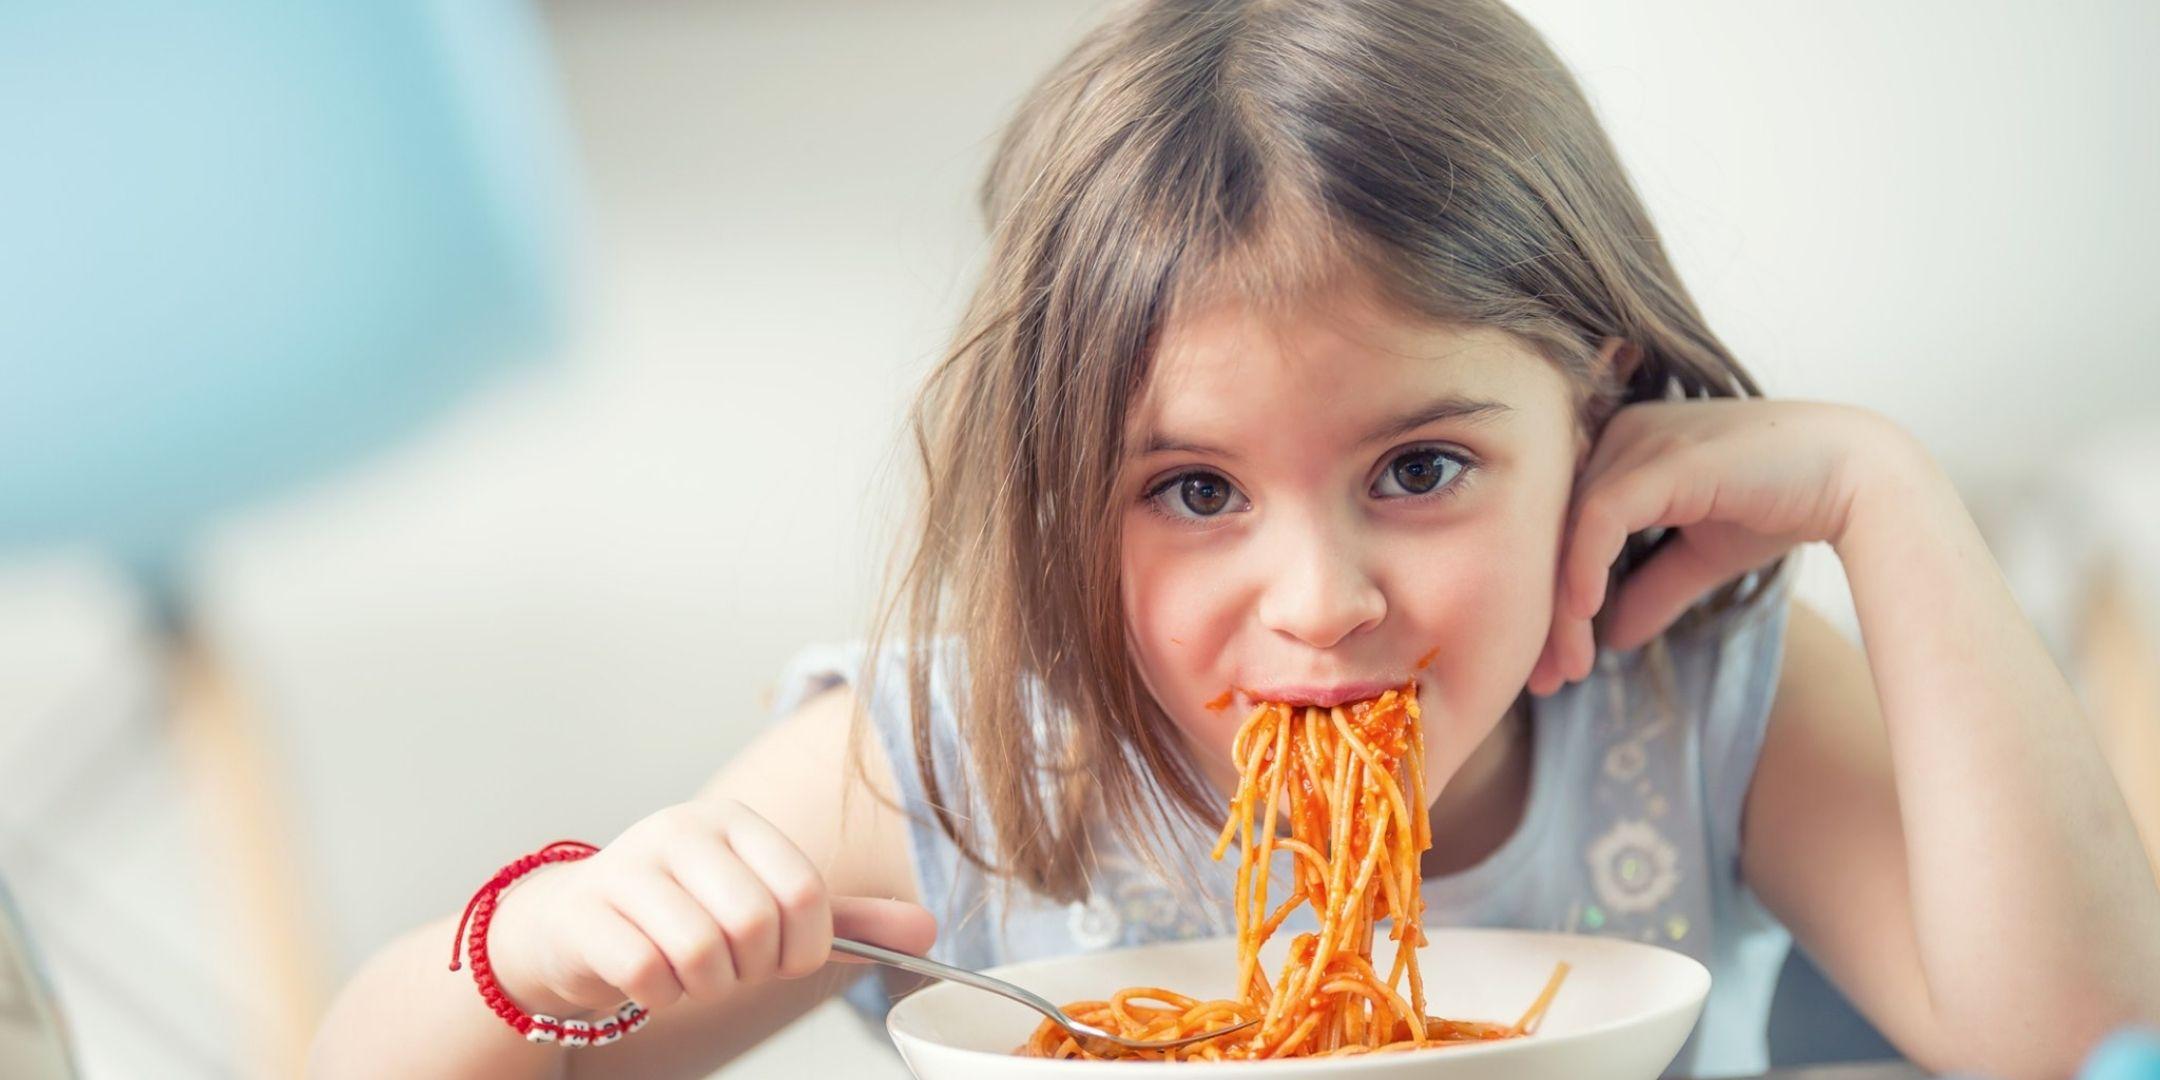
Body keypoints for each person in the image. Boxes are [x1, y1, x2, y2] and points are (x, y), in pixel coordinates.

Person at [309, 0, 2160, 1076]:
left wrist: (1883, 497)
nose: (1322, 603)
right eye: (1194, 492)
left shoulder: (1696, 704)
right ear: (1058, 489)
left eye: (1422, 470)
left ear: (1598, 410)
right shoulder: (966, 770)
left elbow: (2072, 1041)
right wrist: (537, 949)